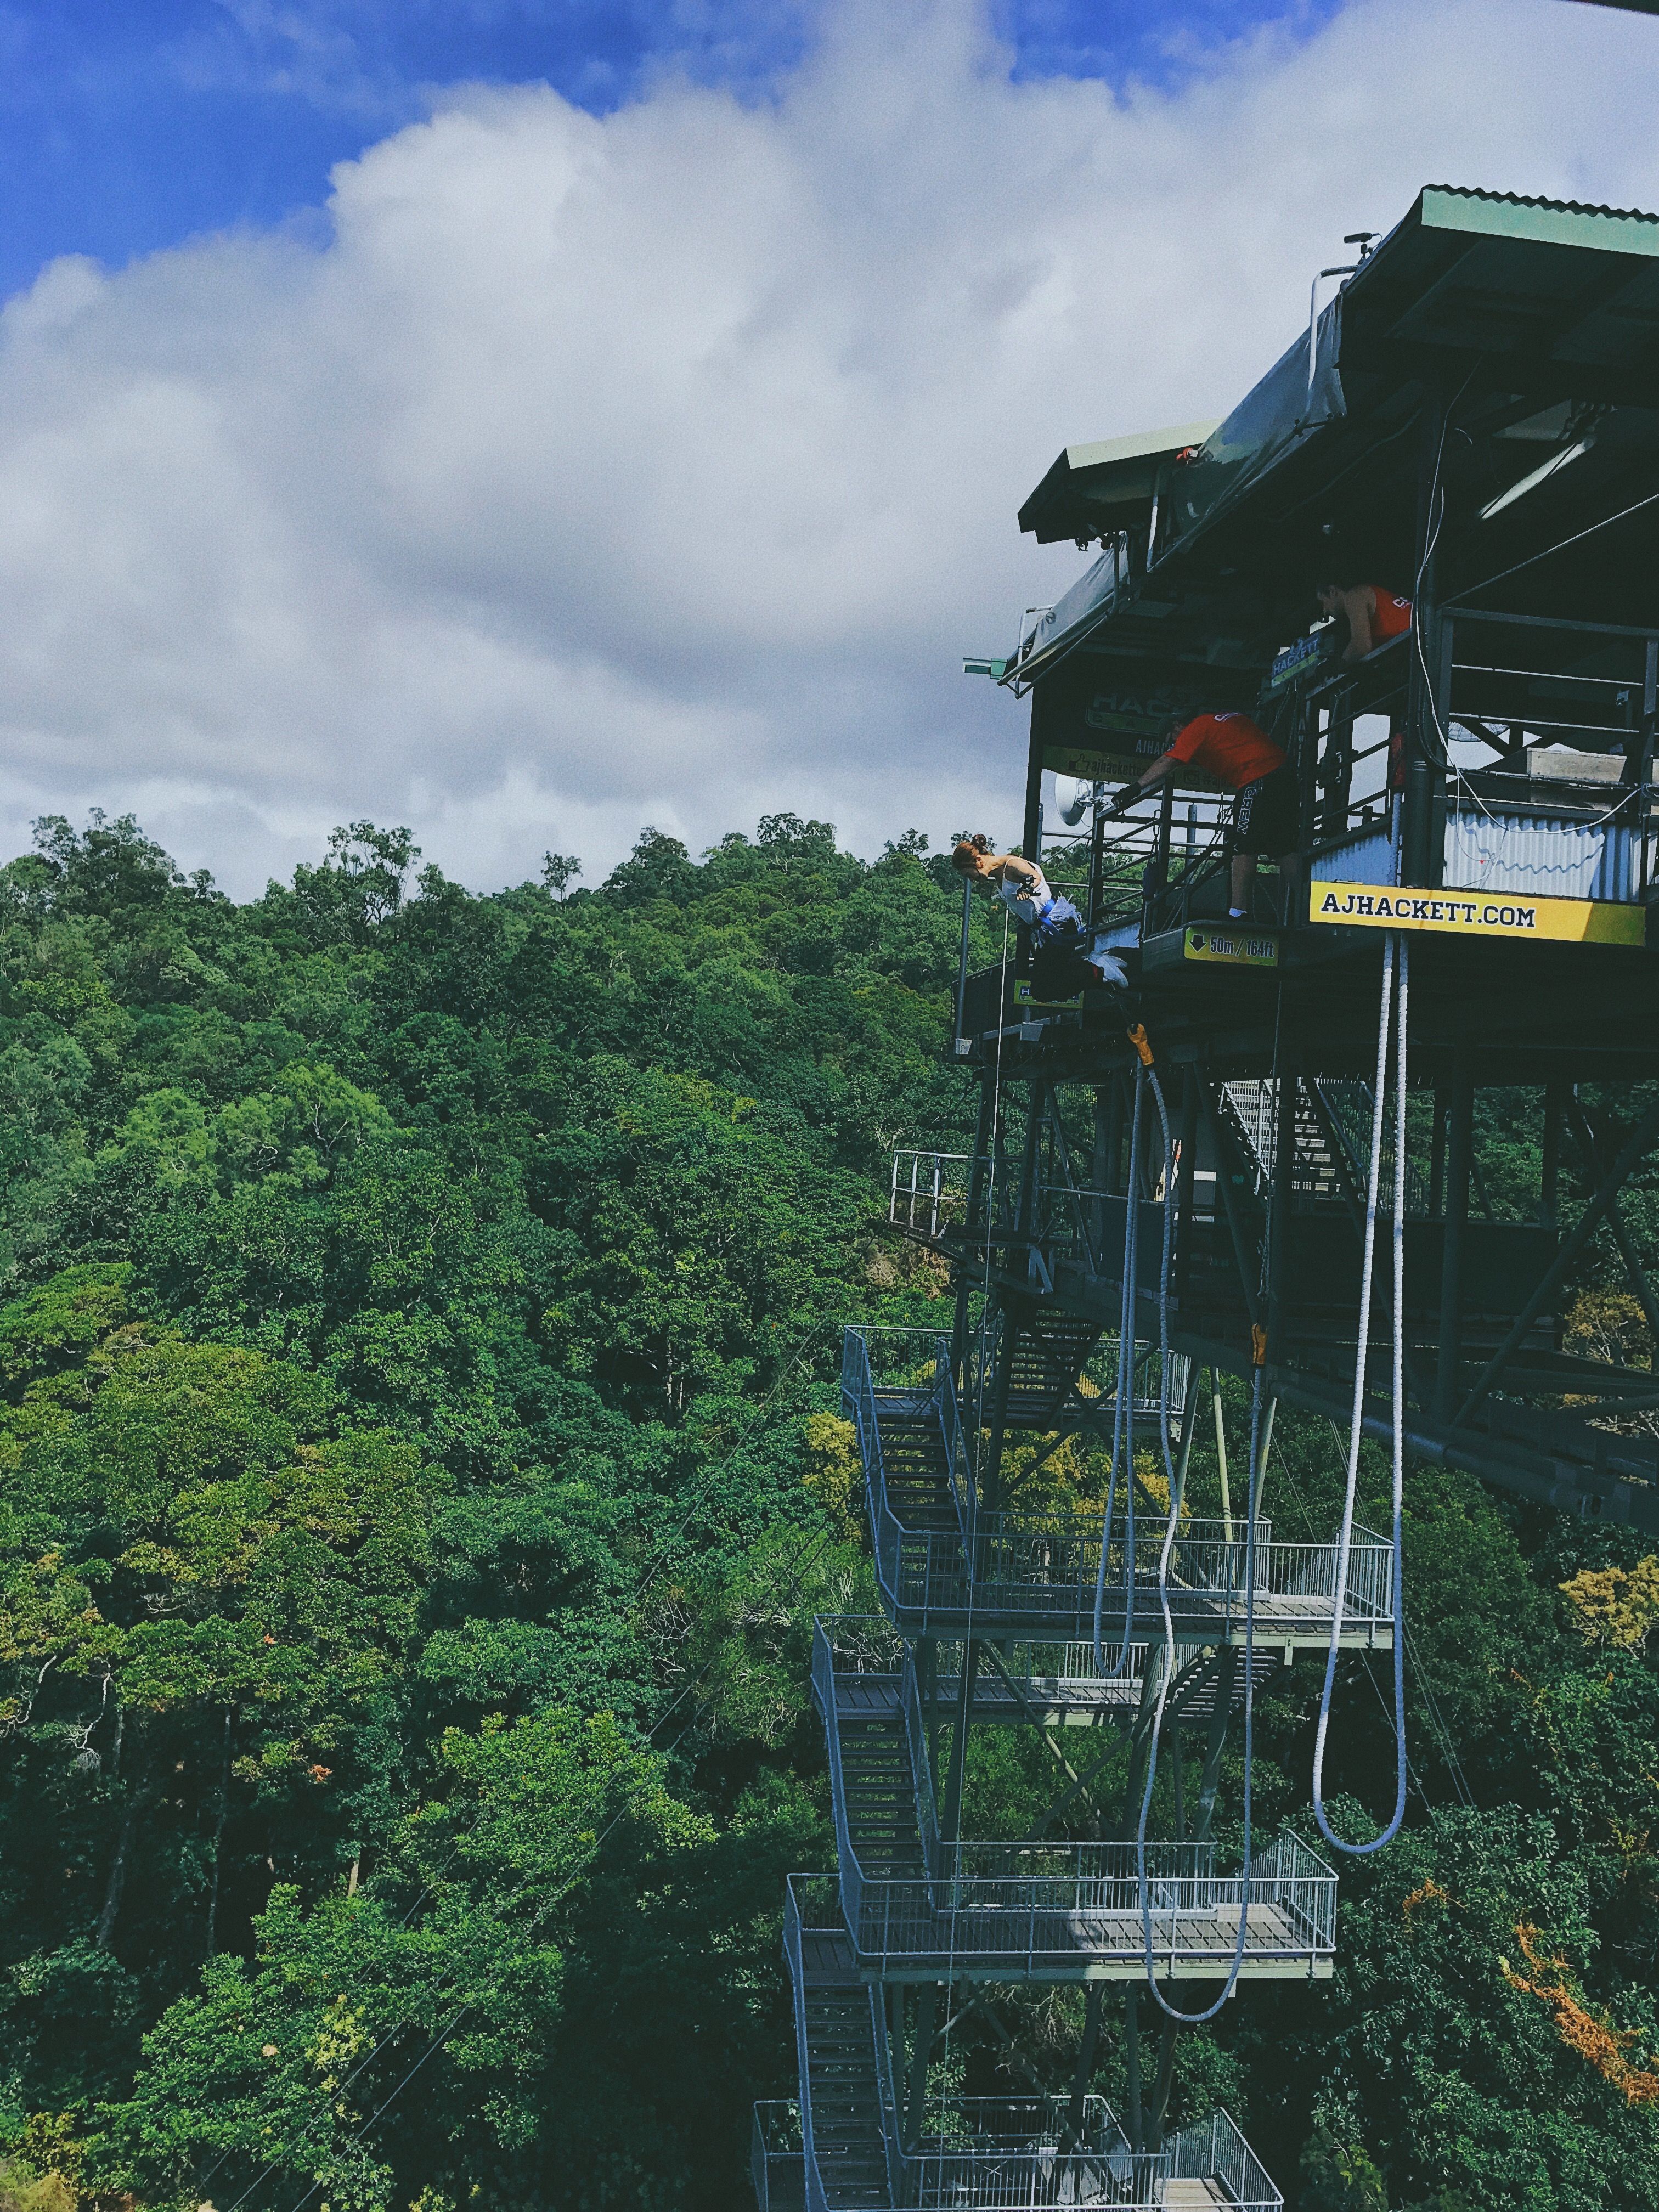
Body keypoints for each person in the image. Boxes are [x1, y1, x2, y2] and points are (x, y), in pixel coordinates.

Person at [1104, 709, 1296, 923]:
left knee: (1243, 846)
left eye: (1172, 740)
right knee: (1284, 848)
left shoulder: (1195, 728)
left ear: (1177, 726)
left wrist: (1136, 787)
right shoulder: (1217, 721)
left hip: (1257, 776)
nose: (1174, 744)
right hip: (1283, 773)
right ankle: (1304, 903)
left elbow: (1168, 761)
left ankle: (1238, 913)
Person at [950, 837, 1128, 996]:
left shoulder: (1011, 864)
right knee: (1040, 989)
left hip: (1059, 924)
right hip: (1046, 931)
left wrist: (1026, 888)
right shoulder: (999, 876)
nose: (971, 879)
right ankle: (1095, 969)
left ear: (978, 861)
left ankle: (1098, 968)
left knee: (1045, 988)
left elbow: (1034, 877)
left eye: (969, 874)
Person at [1316, 578, 1412, 662]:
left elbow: (1361, 646)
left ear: (1333, 592)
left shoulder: (1354, 596)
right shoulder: (1368, 592)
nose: (1325, 611)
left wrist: (1337, 667)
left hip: (1413, 644)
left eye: (1323, 603)